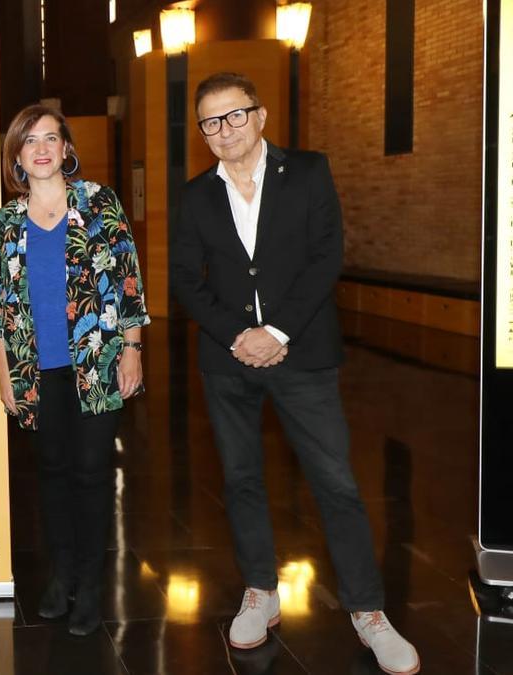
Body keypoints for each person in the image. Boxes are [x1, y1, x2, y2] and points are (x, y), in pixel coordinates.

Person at [170, 72, 419, 674]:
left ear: (259, 116)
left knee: (335, 482)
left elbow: (324, 255)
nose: (223, 130)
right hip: (227, 361)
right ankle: (261, 591)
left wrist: (275, 332)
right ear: (202, 133)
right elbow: (185, 280)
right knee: (241, 480)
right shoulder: (195, 194)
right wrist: (239, 335)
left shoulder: (308, 172)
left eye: (233, 116)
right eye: (210, 122)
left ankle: (368, 612)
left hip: (301, 353)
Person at [0, 104, 148, 636]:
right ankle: (60, 577)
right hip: (36, 371)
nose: (41, 148)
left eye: (50, 138)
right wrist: (5, 375)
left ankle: (91, 584)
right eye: (29, 140)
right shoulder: (6, 221)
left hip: (97, 365)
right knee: (51, 476)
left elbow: (127, 278)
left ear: (66, 149)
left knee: (92, 474)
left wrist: (132, 348)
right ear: (17, 155)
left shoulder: (99, 202)